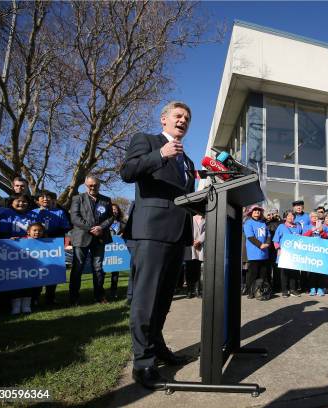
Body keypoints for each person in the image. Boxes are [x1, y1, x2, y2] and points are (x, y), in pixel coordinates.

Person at [120, 101, 197, 390]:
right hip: (151, 231)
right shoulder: (148, 141)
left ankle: (156, 345)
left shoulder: (187, 160)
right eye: (178, 116)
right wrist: (160, 155)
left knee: (164, 299)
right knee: (146, 300)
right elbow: (127, 172)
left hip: (178, 234)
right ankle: (143, 363)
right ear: (164, 119)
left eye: (187, 118)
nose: (183, 121)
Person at [68, 175, 113, 305]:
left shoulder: (106, 200)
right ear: (85, 185)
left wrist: (101, 228)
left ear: (99, 185)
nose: (93, 187)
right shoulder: (78, 198)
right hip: (81, 237)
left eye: (95, 185)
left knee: (98, 268)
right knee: (78, 268)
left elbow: (110, 217)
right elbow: (75, 218)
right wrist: (91, 228)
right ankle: (74, 297)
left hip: (99, 238)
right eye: (90, 185)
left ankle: (99, 296)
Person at [32, 190, 71, 305]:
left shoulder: (60, 212)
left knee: (53, 271)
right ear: (37, 200)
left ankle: (50, 297)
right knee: (37, 271)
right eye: (42, 197)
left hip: (54, 245)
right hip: (37, 246)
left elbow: (66, 227)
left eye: (48, 197)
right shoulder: (32, 212)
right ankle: (35, 297)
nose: (45, 199)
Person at [272, 210, 303, 297]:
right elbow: (275, 240)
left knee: (294, 272)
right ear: (285, 217)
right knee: (284, 272)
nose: (291, 217)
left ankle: (293, 289)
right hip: (284, 253)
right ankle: (285, 290)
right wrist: (278, 249)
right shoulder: (281, 226)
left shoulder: (298, 227)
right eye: (289, 216)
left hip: (295, 254)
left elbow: (302, 238)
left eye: (292, 216)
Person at [243, 205, 271, 299]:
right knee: (252, 274)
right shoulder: (248, 223)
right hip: (253, 253)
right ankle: (251, 292)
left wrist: (267, 243)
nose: (257, 212)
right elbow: (250, 236)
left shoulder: (263, 223)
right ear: (251, 212)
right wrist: (260, 245)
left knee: (263, 274)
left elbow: (268, 235)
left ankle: (260, 291)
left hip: (264, 254)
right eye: (255, 210)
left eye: (259, 211)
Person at [303, 211, 328, 296]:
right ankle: (312, 288)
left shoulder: (323, 226)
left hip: (320, 252)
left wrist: (321, 231)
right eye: (313, 217)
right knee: (312, 272)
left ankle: (320, 288)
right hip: (310, 252)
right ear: (310, 218)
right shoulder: (307, 226)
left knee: (320, 272)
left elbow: (327, 237)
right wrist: (312, 230)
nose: (314, 218)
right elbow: (304, 236)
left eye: (316, 217)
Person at [108, 203, 127, 300]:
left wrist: (122, 235)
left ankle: (113, 291)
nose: (114, 211)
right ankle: (100, 293)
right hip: (106, 250)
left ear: (118, 211)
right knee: (101, 272)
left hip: (117, 250)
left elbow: (128, 234)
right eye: (112, 209)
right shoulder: (104, 222)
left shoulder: (122, 223)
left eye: (115, 209)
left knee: (115, 272)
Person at [186, 214, 205, 298]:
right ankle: (189, 291)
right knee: (189, 269)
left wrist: (199, 241)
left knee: (198, 269)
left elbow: (206, 231)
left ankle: (198, 291)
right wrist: (191, 240)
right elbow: (186, 229)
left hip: (200, 246)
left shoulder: (206, 218)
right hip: (190, 246)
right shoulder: (190, 218)